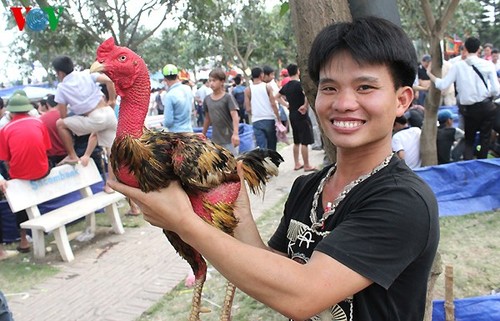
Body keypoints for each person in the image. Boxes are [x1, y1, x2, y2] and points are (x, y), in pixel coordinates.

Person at [109, 17, 439, 321]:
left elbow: (302, 295)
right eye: (329, 88)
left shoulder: (404, 201)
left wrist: (182, 222)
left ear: (402, 100)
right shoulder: (308, 186)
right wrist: (241, 211)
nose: (343, 103)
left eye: (365, 87)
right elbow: (276, 273)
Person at [52, 56, 118, 193]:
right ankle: (110, 185)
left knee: (60, 124)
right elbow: (110, 80)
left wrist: (75, 119)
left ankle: (72, 155)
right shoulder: (86, 73)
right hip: (108, 113)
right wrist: (112, 100)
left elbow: (63, 116)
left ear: (60, 73)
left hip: (94, 118)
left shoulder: (62, 87)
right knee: (112, 153)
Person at [427, 36, 500, 160]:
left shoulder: (457, 66)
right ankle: (482, 164)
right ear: (479, 49)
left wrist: (429, 74)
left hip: (469, 110)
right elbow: (496, 90)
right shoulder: (488, 65)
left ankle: (469, 166)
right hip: (487, 107)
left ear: (465, 48)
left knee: (469, 140)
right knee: (485, 139)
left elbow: (442, 84)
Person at [0, 93, 52, 254]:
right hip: (43, 172)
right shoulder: (38, 122)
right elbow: (46, 149)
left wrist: (14, 172)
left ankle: (23, 240)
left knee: (19, 201)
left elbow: (5, 159)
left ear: (11, 112)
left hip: (19, 176)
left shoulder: (5, 129)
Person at [275, 63, 316, 171]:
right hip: (301, 114)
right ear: (298, 71)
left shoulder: (286, 86)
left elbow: (277, 97)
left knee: (296, 140)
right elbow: (306, 94)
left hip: (292, 114)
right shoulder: (299, 85)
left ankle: (297, 163)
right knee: (304, 141)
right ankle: (307, 165)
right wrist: (305, 105)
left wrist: (286, 104)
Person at [202, 68, 240, 155]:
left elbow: (235, 116)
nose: (211, 83)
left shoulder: (228, 98)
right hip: (215, 140)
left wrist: (235, 134)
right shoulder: (207, 99)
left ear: (222, 81)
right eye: (210, 81)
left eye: (214, 80)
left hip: (229, 140)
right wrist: (203, 134)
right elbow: (207, 119)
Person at [244, 67, 280, 150]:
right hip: (269, 118)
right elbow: (273, 104)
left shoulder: (248, 90)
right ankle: (273, 161)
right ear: (261, 75)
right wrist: (278, 118)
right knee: (272, 145)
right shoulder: (267, 87)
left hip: (256, 120)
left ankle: (264, 161)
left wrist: (255, 112)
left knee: (261, 146)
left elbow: (248, 108)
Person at [161, 64, 194, 133]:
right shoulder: (187, 89)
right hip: (189, 133)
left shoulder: (169, 96)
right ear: (177, 76)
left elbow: (168, 122)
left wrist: (162, 123)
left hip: (176, 137)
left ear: (165, 79)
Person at [39, 94, 67, 168]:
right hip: (67, 153)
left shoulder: (41, 120)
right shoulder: (65, 116)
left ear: (47, 104)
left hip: (51, 157)